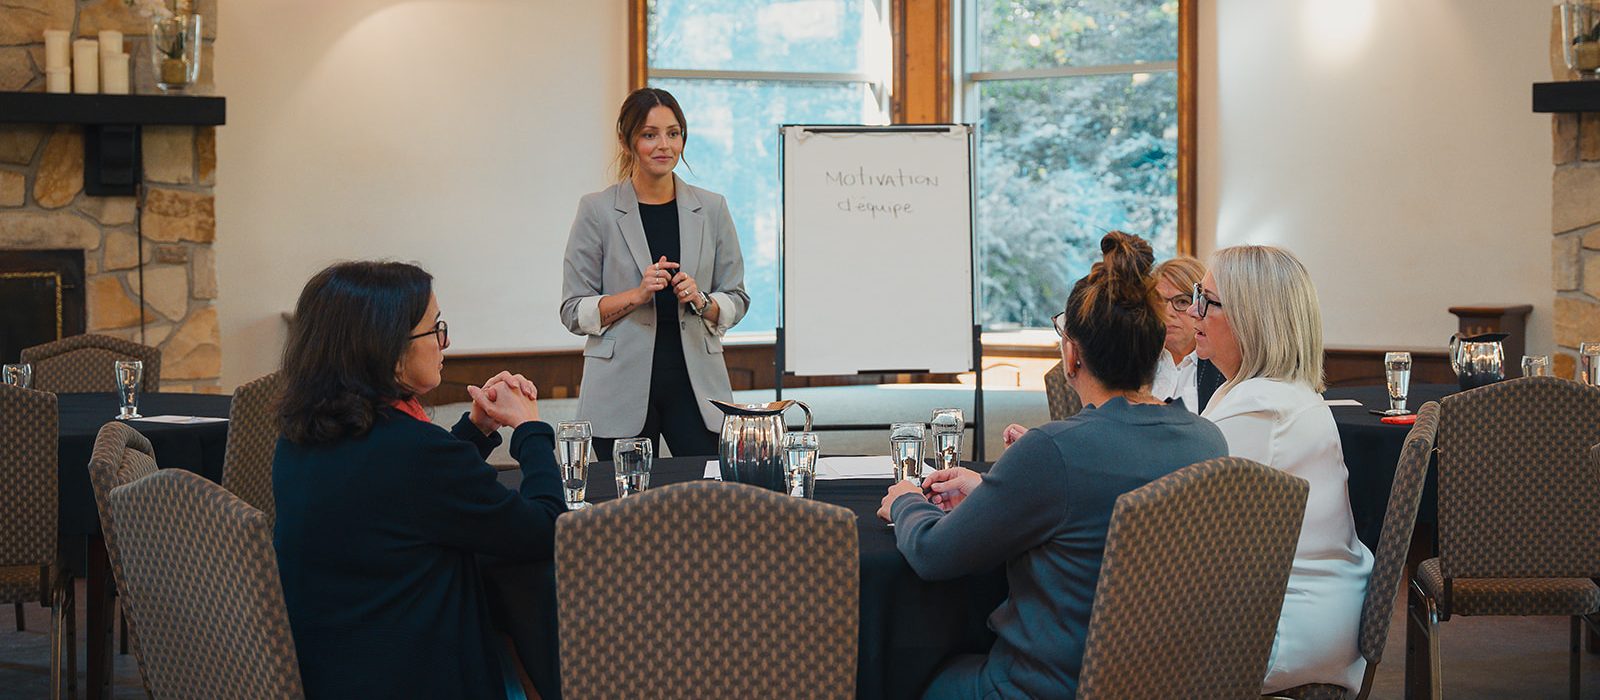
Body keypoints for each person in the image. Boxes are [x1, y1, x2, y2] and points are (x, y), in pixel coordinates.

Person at [877, 232, 1228, 698]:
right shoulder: (1208, 443)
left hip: (1045, 687)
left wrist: (906, 502)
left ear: (1071, 354)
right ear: (1155, 348)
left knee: (902, 677)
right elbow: (1094, 509)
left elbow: (933, 554)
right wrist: (993, 492)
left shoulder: (1054, 450)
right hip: (1167, 684)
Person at [273, 261, 565, 700]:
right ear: (389, 349)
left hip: (333, 665)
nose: (445, 343)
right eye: (435, 329)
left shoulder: (301, 436)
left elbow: (413, 495)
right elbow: (547, 529)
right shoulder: (415, 453)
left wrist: (475, 429)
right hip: (418, 674)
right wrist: (530, 431)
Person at [1188, 245, 1374, 694]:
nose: (1194, 311)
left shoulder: (1260, 409)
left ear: (1253, 318)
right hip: (1306, 611)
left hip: (1282, 629)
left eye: (1208, 301)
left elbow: (1186, 524)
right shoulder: (1264, 392)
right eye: (1198, 294)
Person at [560, 87, 749, 461]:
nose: (664, 145)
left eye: (673, 133)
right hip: (618, 388)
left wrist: (702, 299)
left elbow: (737, 298)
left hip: (697, 387)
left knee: (708, 500)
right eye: (649, 135)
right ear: (626, 140)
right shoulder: (597, 210)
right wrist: (637, 295)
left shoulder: (712, 208)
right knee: (624, 508)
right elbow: (572, 310)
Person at [1149, 255, 1225, 413]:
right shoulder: (1136, 364)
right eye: (1159, 302)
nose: (1167, 312)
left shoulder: (1223, 367)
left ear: (1203, 305)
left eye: (1182, 302)